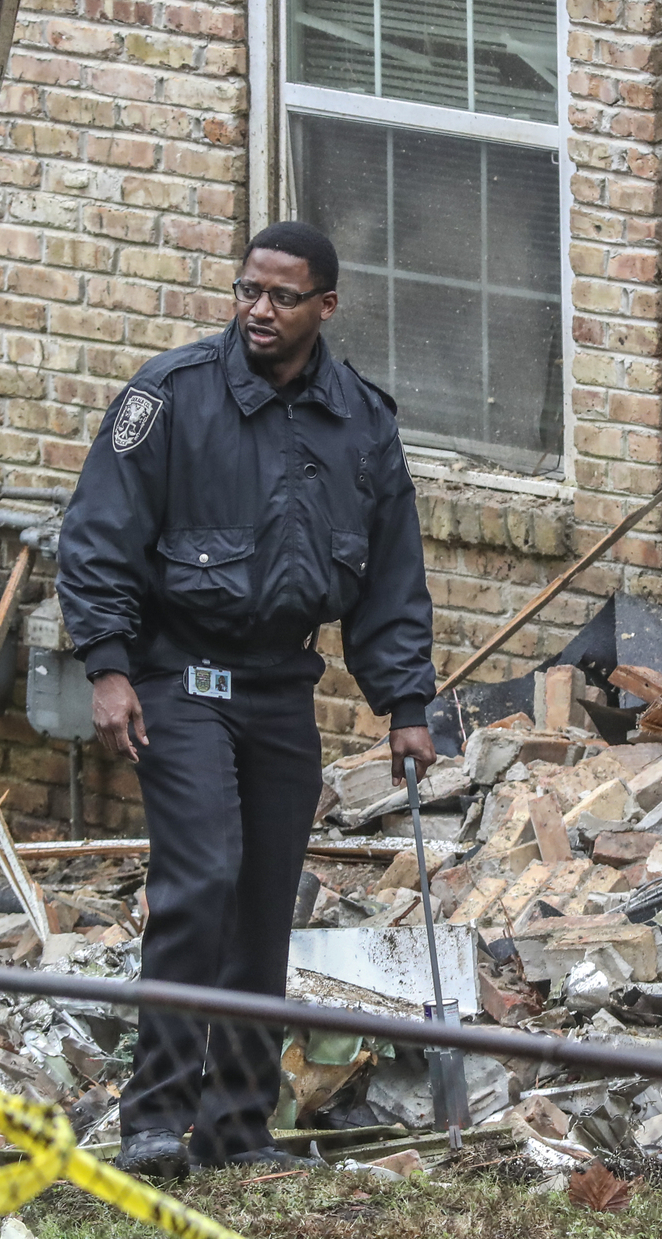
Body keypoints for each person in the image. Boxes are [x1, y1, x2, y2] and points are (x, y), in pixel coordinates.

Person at [56, 220, 436, 1176]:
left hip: (278, 684)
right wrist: (106, 664)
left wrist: (406, 705)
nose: (258, 311)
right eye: (247, 291)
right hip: (176, 677)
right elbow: (98, 533)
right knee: (203, 878)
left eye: (280, 297)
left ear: (324, 307)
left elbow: (392, 577)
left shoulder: (362, 422)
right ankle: (151, 1120)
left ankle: (236, 1130)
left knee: (266, 902)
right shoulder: (171, 397)